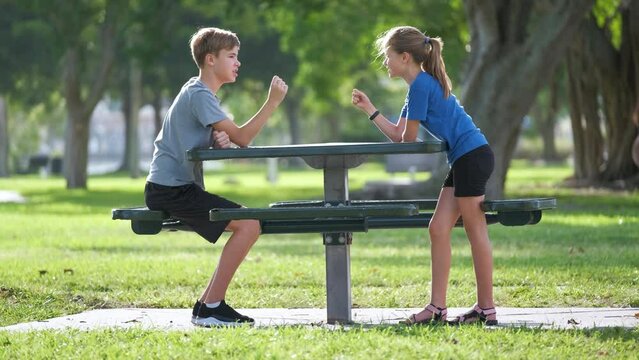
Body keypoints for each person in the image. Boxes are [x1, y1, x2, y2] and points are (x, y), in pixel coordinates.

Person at [351, 26, 497, 325]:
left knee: (475, 232)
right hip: (464, 158)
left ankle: (486, 309)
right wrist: (371, 110)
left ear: (405, 57)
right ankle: (437, 309)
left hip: (472, 156)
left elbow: (408, 137)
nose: (385, 62)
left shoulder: (421, 86)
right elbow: (399, 135)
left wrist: (393, 125)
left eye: (388, 56)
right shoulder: (418, 86)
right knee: (438, 228)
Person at [145, 27, 288, 327]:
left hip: (171, 187)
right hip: (171, 190)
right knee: (249, 225)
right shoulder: (199, 94)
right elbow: (244, 138)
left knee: (249, 223)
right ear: (211, 60)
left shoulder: (197, 92)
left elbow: (207, 135)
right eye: (232, 56)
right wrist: (272, 102)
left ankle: (205, 307)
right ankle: (212, 307)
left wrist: (214, 138)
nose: (238, 63)